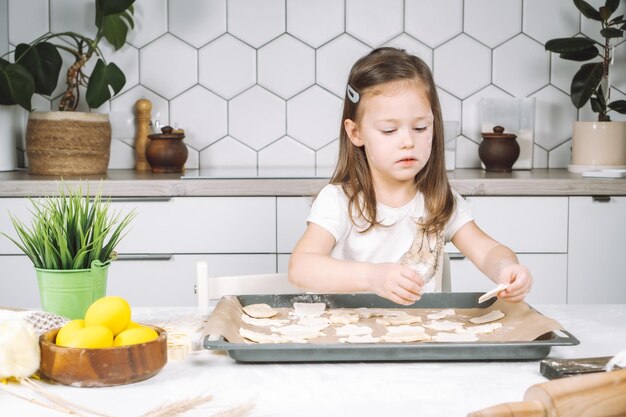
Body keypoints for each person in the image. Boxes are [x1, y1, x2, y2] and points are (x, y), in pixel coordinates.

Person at [288, 47, 533, 305]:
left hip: (418, 338)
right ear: (356, 133)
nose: (407, 141)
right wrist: (373, 277)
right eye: (389, 130)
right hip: (349, 338)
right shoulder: (339, 202)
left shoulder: (439, 202)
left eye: (420, 127)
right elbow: (301, 267)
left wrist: (506, 268)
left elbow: (488, 251)